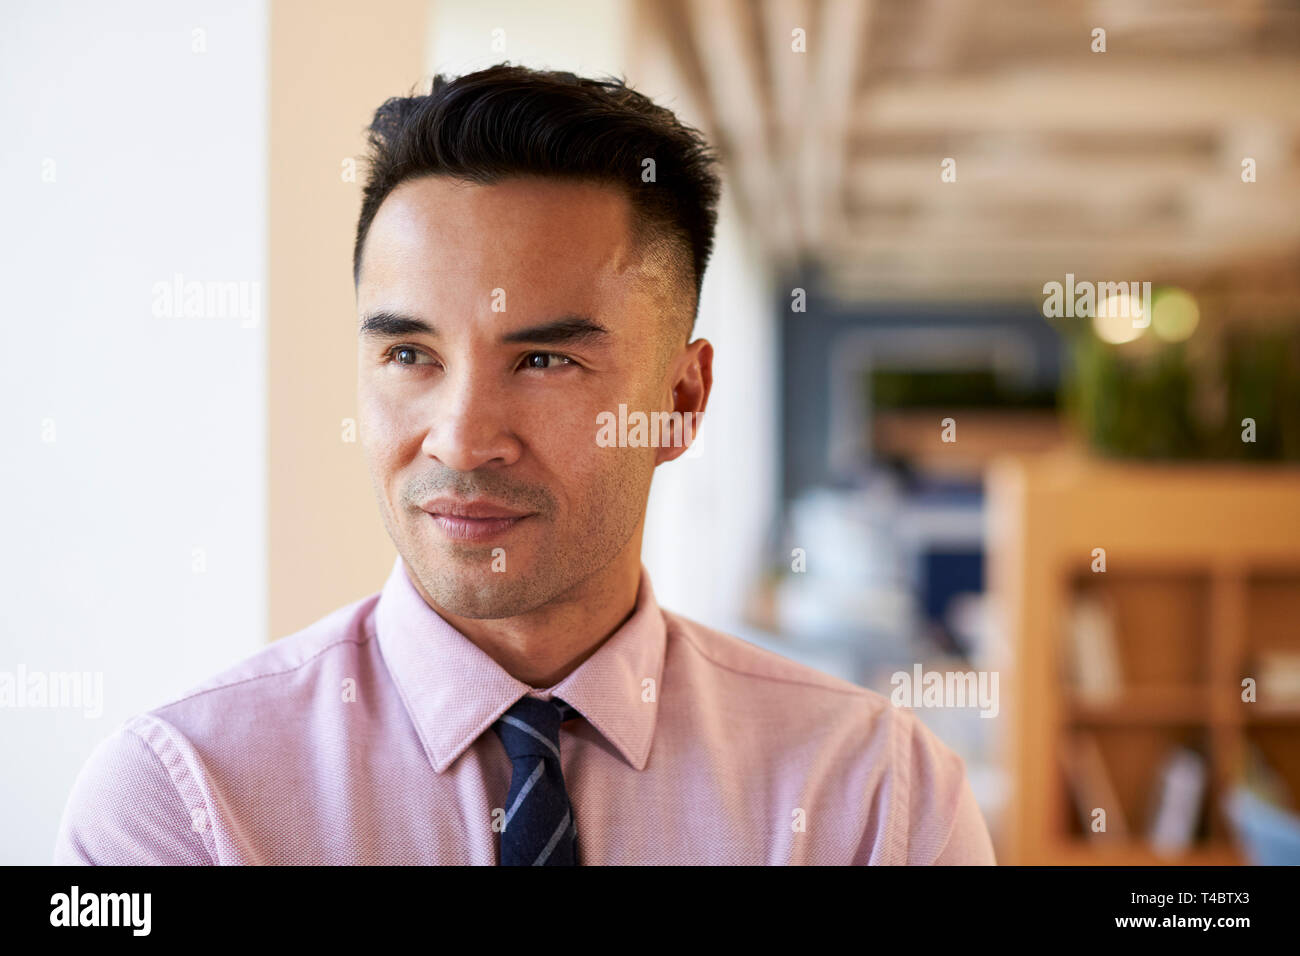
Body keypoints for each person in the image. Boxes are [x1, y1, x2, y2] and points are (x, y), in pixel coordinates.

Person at [54, 64, 995, 865]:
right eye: (408, 355)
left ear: (681, 402)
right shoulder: (185, 805)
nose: (462, 440)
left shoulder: (875, 802)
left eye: (544, 361)